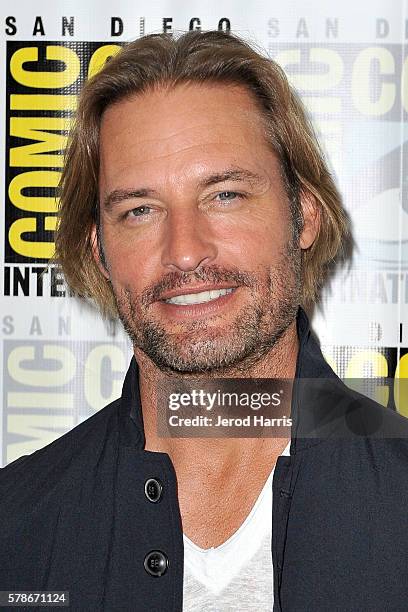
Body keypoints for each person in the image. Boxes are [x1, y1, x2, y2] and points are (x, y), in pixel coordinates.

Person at [1, 30, 407, 612]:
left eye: (226, 195)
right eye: (140, 210)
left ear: (304, 217)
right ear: (98, 250)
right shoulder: (17, 528)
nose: (186, 251)